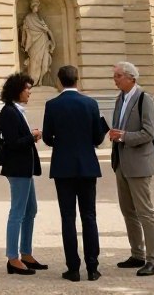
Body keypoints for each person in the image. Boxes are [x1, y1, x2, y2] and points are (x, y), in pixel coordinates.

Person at [42, 65, 109, 282]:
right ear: (77, 80)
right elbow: (98, 139)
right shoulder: (90, 103)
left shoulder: (52, 105)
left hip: (63, 166)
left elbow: (47, 137)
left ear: (60, 81)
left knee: (67, 218)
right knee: (89, 217)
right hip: (87, 165)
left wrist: (60, 144)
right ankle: (92, 267)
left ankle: (73, 268)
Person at [109, 61, 154, 276]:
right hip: (121, 162)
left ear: (131, 77)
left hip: (139, 163)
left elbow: (150, 132)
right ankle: (137, 253)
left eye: (118, 75)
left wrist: (123, 136)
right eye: (115, 75)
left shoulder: (144, 99)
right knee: (128, 210)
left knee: (145, 212)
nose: (115, 79)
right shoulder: (119, 99)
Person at [0, 72, 47, 275]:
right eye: (27, 88)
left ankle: (26, 253)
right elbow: (12, 143)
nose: (29, 93)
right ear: (17, 90)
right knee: (17, 212)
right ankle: (12, 258)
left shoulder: (17, 110)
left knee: (30, 210)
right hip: (17, 168)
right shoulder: (9, 112)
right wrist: (32, 136)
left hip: (24, 168)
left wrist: (29, 136)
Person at [20, 0, 55, 85]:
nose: (37, 8)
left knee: (41, 60)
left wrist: (51, 39)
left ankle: (40, 81)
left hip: (42, 40)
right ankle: (32, 80)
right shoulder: (28, 17)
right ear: (32, 7)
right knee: (34, 60)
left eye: (37, 6)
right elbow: (25, 30)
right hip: (33, 42)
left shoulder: (39, 18)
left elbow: (45, 28)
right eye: (35, 6)